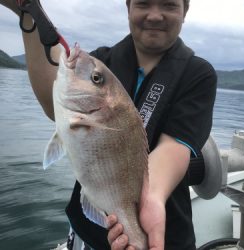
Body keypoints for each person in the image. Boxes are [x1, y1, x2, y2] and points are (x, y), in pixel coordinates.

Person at [0, 0, 217, 249]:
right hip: (87, 235)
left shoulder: (199, 75)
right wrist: (28, 12)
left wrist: (150, 199)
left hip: (166, 237)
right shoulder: (103, 59)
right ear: (128, 7)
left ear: (185, 11)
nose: (155, 16)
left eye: (168, 5)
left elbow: (173, 148)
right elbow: (54, 104)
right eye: (144, 3)